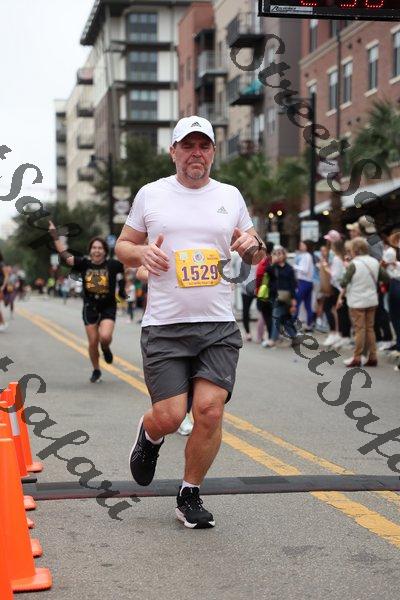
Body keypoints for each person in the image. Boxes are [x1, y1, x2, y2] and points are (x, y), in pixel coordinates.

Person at [115, 115, 265, 529]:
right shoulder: (151, 194)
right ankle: (150, 434)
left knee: (209, 411)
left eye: (204, 146)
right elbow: (123, 245)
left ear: (213, 152)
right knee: (169, 415)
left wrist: (252, 245)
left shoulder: (230, 196)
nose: (196, 153)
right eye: (188, 145)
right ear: (174, 152)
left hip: (217, 324)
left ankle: (189, 493)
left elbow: (255, 249)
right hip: (165, 326)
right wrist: (141, 252)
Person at [49, 222, 124, 382]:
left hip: (108, 306)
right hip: (90, 307)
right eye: (94, 248)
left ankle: (106, 348)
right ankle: (96, 370)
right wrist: (55, 236)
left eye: (100, 248)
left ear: (105, 251)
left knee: (105, 337)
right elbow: (64, 254)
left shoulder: (113, 265)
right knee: (92, 342)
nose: (97, 250)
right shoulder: (84, 264)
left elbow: (130, 263)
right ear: (90, 251)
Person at [338, 237, 389, 368]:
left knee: (359, 329)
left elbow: (343, 282)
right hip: (372, 300)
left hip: (357, 301)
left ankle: (357, 357)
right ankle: (373, 356)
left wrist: (346, 267)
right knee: (370, 329)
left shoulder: (354, 264)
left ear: (355, 250)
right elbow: (385, 278)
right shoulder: (374, 262)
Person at [264, 246, 297, 347]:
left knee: (281, 317)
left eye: (280, 253)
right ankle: (294, 337)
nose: (278, 256)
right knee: (281, 318)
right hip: (275, 296)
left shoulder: (289, 268)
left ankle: (273, 339)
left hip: (286, 297)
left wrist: (293, 299)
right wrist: (273, 262)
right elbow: (266, 271)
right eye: (276, 254)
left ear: (284, 255)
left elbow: (293, 284)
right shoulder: (274, 267)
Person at [294, 240, 315, 330]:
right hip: (307, 282)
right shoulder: (306, 255)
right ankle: (310, 324)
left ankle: (293, 322)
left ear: (307, 246)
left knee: (296, 302)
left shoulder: (307, 256)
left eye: (302, 245)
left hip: (304, 282)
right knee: (307, 304)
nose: (300, 246)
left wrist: (295, 267)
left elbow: (305, 270)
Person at [0, 252, 9, 331]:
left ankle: (2, 323)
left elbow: (6, 276)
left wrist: (3, 286)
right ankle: (2, 323)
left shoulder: (2, 264)